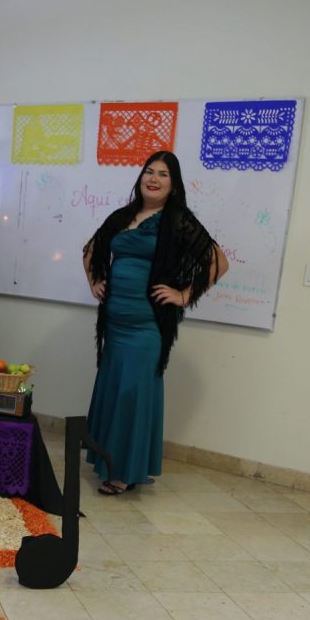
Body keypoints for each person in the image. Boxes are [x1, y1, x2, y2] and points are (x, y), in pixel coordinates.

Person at [82, 151, 228, 495]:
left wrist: (183, 295)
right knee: (115, 390)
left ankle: (124, 472)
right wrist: (95, 282)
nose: (154, 178)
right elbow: (90, 249)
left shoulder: (178, 221)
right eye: (149, 171)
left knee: (133, 393)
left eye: (163, 174)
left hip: (147, 325)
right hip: (115, 323)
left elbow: (218, 262)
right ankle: (109, 462)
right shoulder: (123, 216)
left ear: (173, 184)